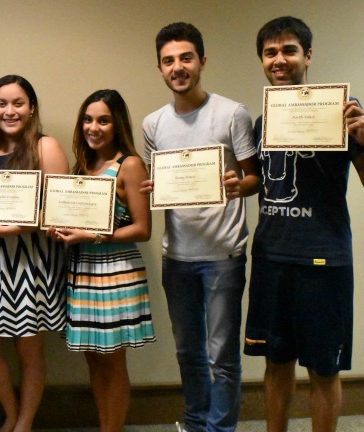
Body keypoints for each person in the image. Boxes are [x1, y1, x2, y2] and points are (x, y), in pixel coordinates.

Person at [244, 16, 364, 432]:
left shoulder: (345, 113)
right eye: (270, 52)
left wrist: (363, 136)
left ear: (307, 55)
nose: (279, 60)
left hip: (325, 260)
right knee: (276, 364)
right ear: (262, 60)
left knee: (324, 370)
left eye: (289, 50)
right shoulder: (263, 123)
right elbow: (258, 182)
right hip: (272, 255)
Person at [140, 23, 259, 432]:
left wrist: (235, 187)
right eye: (169, 61)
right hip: (178, 257)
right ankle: (194, 424)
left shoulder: (232, 113)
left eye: (186, 58)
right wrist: (157, 189)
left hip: (224, 256)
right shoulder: (153, 124)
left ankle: (220, 428)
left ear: (202, 61)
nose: (178, 67)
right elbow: (163, 187)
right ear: (160, 68)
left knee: (221, 356)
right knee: (188, 352)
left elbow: (255, 178)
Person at [0, 75, 69, 432]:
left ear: (32, 107)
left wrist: (10, 228)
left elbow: (60, 211)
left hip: (31, 261)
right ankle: (11, 412)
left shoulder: (46, 147)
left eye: (18, 103)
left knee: (29, 351)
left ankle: (23, 425)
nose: (10, 111)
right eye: (2, 103)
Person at [50, 89, 155, 432]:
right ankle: (104, 426)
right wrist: (63, 230)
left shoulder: (131, 164)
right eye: (88, 119)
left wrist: (92, 235)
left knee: (112, 360)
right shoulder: (85, 165)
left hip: (116, 272)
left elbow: (142, 230)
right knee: (93, 360)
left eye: (103, 120)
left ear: (117, 124)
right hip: (82, 270)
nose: (94, 127)